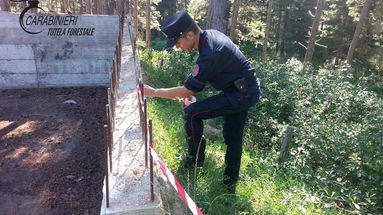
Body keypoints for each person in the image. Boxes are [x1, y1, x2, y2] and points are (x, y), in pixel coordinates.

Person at [144, 11, 260, 193]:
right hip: (243, 89)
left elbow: (189, 88)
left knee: (192, 113)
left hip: (241, 93)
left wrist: (152, 92)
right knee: (232, 136)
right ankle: (230, 183)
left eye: (177, 42)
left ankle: (196, 159)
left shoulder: (210, 52)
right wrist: (192, 90)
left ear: (189, 35)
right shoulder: (210, 38)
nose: (177, 47)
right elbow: (208, 75)